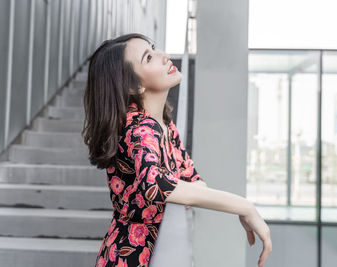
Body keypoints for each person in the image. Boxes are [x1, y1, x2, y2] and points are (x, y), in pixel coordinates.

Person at [82, 33, 272, 267]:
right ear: (135, 85)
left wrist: (197, 192)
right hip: (129, 258)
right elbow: (157, 184)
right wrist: (244, 206)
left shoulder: (164, 123)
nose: (163, 56)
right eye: (149, 57)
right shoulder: (139, 128)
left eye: (154, 48)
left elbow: (191, 178)